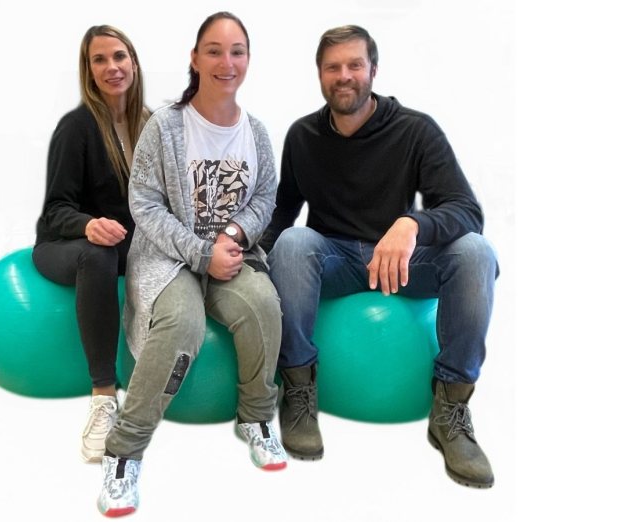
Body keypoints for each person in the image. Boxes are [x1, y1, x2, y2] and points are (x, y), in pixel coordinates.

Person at [259, 25, 499, 489]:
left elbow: (466, 210)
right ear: (320, 75)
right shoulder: (303, 136)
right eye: (333, 67)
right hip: (336, 259)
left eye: (354, 65)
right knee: (292, 242)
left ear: (373, 70)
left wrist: (413, 224)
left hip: (403, 263)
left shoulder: (415, 130)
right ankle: (299, 391)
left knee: (474, 251)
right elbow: (283, 212)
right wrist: (240, 254)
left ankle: (450, 410)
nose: (344, 75)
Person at [97, 12, 287, 517]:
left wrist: (233, 237)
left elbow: (265, 196)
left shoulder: (257, 133)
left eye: (238, 51)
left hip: (229, 255)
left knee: (263, 303)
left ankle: (257, 417)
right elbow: (145, 203)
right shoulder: (165, 126)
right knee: (182, 321)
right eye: (215, 50)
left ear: (248, 59)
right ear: (195, 58)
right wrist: (201, 252)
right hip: (169, 258)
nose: (227, 62)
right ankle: (123, 452)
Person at [32, 25, 150, 464]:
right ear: (88, 71)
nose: (111, 67)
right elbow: (55, 209)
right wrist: (88, 225)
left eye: (118, 56)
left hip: (124, 251)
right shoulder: (76, 127)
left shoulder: (152, 126)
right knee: (98, 253)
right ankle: (104, 395)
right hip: (66, 247)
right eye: (99, 60)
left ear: (133, 63)